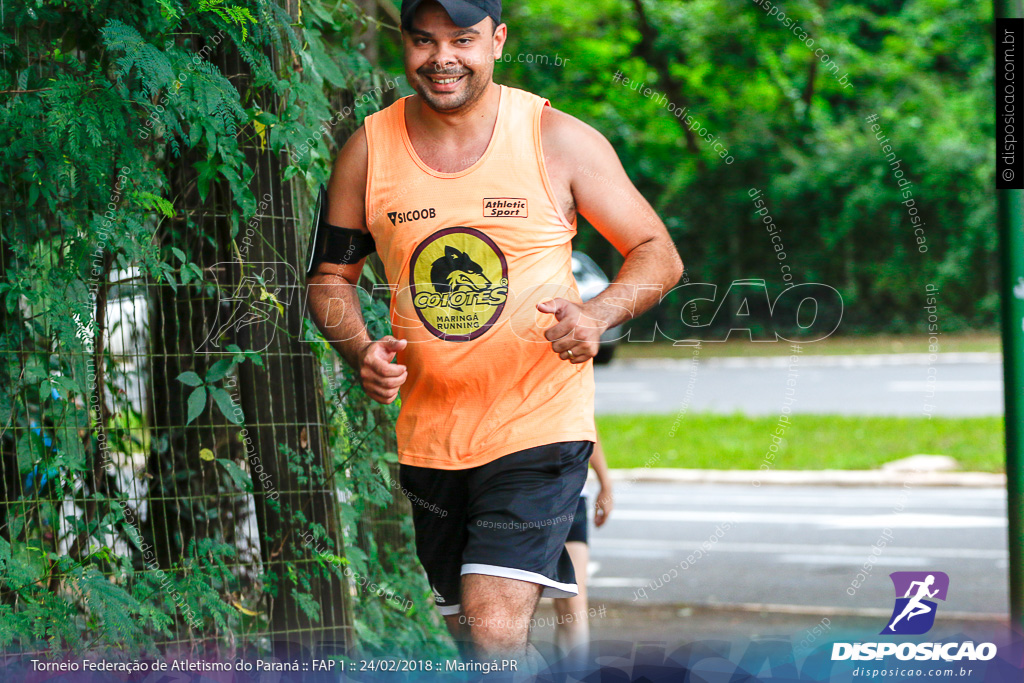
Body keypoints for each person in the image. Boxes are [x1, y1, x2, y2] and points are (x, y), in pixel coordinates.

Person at [306, 0, 683, 665]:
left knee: (492, 622)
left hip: (539, 425)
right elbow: (330, 279)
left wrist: (594, 315)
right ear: (404, 44)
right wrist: (360, 347)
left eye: (462, 39)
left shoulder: (557, 140)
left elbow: (657, 251)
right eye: (423, 40)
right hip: (431, 438)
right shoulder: (368, 149)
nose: (441, 57)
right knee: (474, 637)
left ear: (498, 41)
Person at [553, 435, 613, 665]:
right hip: (515, 492)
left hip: (569, 492)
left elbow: (586, 420)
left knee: (571, 597)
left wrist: (605, 484)